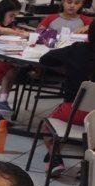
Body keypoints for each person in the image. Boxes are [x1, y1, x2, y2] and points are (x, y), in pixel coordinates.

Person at [37, 19, 95, 176]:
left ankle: (55, 160)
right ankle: (89, 167)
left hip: (73, 112)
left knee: (46, 128)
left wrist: (68, 66)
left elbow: (46, 59)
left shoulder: (77, 49)